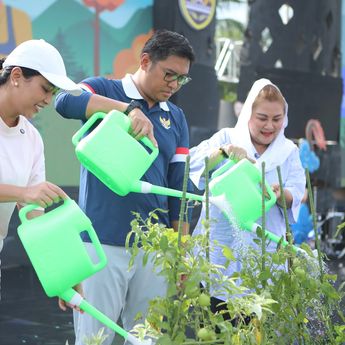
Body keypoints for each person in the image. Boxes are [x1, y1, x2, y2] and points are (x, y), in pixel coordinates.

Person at [55, 29, 195, 344]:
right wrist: (127, 109)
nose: (173, 85)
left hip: (155, 250)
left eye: (181, 79)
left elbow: (179, 187)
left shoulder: (177, 117)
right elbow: (64, 101)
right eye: (169, 75)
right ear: (145, 61)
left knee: (146, 339)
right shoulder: (106, 88)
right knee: (95, 339)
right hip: (102, 242)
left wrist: (180, 252)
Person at [189, 78, 306, 320]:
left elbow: (297, 191)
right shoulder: (227, 138)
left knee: (256, 327)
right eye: (262, 118)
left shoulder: (288, 152)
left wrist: (281, 193)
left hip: (264, 257)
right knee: (214, 324)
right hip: (220, 251)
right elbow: (193, 165)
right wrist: (224, 153)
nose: (270, 126)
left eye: (277, 119)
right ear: (248, 114)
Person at [0, 39, 82, 297]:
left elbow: (34, 215)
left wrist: (64, 272)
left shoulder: (32, 138)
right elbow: (27, 197)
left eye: (53, 93)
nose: (48, 100)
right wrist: (23, 193)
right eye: (45, 89)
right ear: (16, 76)